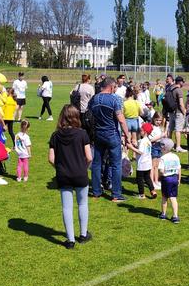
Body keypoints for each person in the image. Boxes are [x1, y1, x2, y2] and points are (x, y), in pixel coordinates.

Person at [48, 105, 93, 249]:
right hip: (80, 174)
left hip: (63, 175)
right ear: (76, 117)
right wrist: (83, 168)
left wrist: (60, 168)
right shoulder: (82, 134)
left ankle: (70, 240)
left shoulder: (55, 135)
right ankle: (83, 234)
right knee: (82, 204)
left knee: (67, 207)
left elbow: (51, 159)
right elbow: (89, 157)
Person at [88, 77, 131, 201]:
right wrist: (127, 136)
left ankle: (96, 192)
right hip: (112, 134)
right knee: (116, 164)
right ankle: (116, 194)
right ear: (111, 87)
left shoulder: (94, 99)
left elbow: (89, 115)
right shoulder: (114, 99)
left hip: (98, 134)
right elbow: (121, 120)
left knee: (97, 163)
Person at [128, 123, 157, 199]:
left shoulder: (143, 141)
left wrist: (131, 147)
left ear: (145, 132)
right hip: (148, 163)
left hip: (142, 164)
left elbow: (140, 152)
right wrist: (136, 145)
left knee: (139, 179)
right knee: (147, 178)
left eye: (141, 130)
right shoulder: (147, 140)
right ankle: (153, 191)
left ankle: (142, 194)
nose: (140, 131)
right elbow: (142, 149)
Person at [158, 138, 181, 223]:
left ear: (164, 148)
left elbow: (161, 170)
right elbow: (179, 169)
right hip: (174, 178)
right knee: (173, 197)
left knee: (164, 197)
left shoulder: (163, 158)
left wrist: (161, 176)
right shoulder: (176, 156)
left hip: (166, 179)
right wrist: (179, 179)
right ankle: (175, 216)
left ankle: (163, 214)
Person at [165, 76, 187, 153]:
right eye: (183, 82)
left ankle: (168, 145)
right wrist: (184, 112)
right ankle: (178, 146)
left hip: (171, 111)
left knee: (170, 129)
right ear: (180, 82)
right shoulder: (179, 90)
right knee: (178, 130)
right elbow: (181, 104)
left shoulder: (170, 88)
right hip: (178, 112)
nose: (183, 83)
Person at [149, 112, 166, 189]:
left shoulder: (160, 127)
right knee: (153, 165)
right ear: (153, 119)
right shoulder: (151, 127)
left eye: (160, 120)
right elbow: (151, 139)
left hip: (159, 146)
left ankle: (156, 181)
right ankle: (151, 181)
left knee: (157, 165)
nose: (159, 122)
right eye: (157, 120)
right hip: (154, 146)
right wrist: (160, 136)